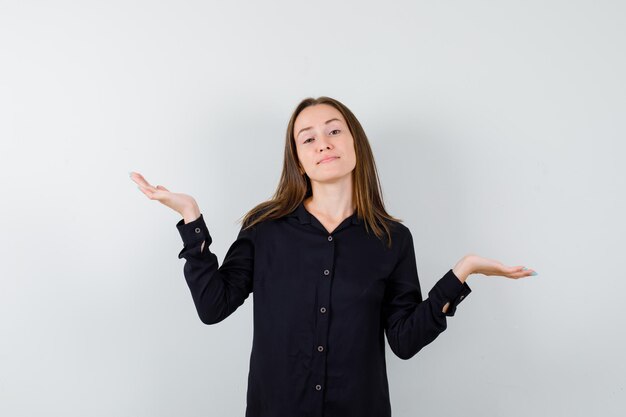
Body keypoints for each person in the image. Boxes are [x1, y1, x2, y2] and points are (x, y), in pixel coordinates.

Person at [130, 96, 537, 417]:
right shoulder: (264, 229)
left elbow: (404, 341)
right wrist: (191, 218)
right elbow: (213, 306)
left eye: (334, 131)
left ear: (355, 143)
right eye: (307, 137)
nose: (322, 142)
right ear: (299, 159)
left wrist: (462, 272)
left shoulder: (392, 238)